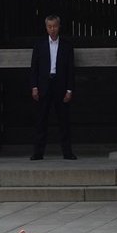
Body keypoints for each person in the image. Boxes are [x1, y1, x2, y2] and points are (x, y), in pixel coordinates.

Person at [28, 15, 76, 160]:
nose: (52, 29)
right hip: (44, 85)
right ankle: (38, 152)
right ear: (46, 27)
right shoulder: (39, 44)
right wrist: (34, 86)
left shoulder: (67, 46)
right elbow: (34, 67)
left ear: (59, 26)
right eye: (49, 27)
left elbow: (70, 69)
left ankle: (67, 152)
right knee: (41, 119)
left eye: (54, 26)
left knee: (64, 120)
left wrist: (69, 89)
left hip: (60, 85)